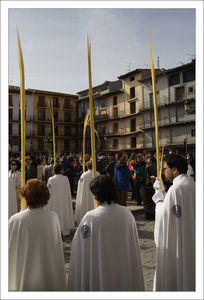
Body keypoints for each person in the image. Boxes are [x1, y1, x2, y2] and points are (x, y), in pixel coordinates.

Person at [68, 175, 145, 291]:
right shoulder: (127, 214)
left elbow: (80, 247)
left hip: (99, 272)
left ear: (97, 195)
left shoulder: (91, 217)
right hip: (122, 271)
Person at [9, 179, 66, 291]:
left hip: (24, 274)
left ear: (25, 196)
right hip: (47, 271)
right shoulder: (52, 217)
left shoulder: (15, 220)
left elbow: (11, 250)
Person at [152, 154, 195, 291]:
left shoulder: (176, 188)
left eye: (165, 169)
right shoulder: (191, 184)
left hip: (179, 240)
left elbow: (164, 216)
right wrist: (163, 192)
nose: (164, 172)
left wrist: (158, 200)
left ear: (174, 170)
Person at [47, 163, 74, 236]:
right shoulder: (65, 179)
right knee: (63, 211)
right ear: (61, 170)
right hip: (63, 199)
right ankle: (64, 227)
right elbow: (68, 191)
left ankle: (55, 228)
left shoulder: (51, 179)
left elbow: (48, 191)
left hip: (54, 200)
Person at [75, 161, 100, 225]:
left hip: (85, 195)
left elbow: (80, 187)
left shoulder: (84, 175)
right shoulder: (97, 174)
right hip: (94, 194)